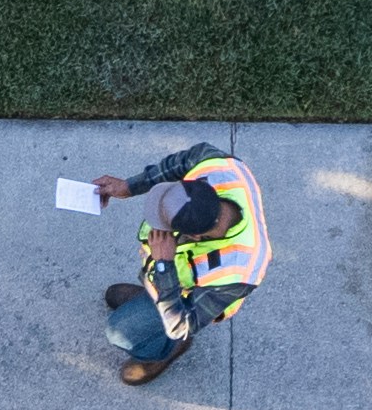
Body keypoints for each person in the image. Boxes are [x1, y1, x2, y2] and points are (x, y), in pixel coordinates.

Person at [85, 143, 270, 387]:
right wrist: (129, 186)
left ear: (193, 236)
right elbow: (179, 163)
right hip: (170, 278)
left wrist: (163, 266)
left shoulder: (242, 268)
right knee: (136, 304)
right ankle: (150, 297)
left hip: (187, 299)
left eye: (163, 221)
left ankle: (162, 352)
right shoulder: (218, 166)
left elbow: (182, 324)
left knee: (119, 331)